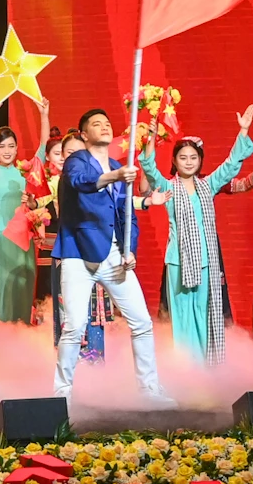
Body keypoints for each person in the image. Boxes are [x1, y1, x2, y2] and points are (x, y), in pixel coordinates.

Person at [54, 107, 173, 404]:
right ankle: (62, 393)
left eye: (107, 123)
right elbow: (81, 184)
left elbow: (126, 215)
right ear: (84, 134)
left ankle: (149, 390)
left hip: (114, 256)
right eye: (96, 124)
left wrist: (129, 249)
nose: (104, 127)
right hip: (78, 254)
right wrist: (114, 175)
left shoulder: (122, 168)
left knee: (142, 322)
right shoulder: (76, 161)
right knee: (74, 326)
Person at [141, 106, 253, 365]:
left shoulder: (209, 185)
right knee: (181, 316)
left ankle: (206, 370)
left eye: (193, 157)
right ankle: (185, 367)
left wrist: (244, 129)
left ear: (200, 160)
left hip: (206, 262)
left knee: (204, 313)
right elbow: (148, 168)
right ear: (174, 161)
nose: (189, 161)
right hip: (177, 262)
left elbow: (230, 167)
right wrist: (150, 138)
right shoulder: (167, 187)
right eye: (183, 157)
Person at [0, 99, 46, 326]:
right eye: (2, 146)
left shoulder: (26, 173)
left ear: (17, 148)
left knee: (22, 289)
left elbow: (43, 147)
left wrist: (44, 114)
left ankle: (21, 339)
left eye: (11, 146)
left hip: (23, 242)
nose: (7, 151)